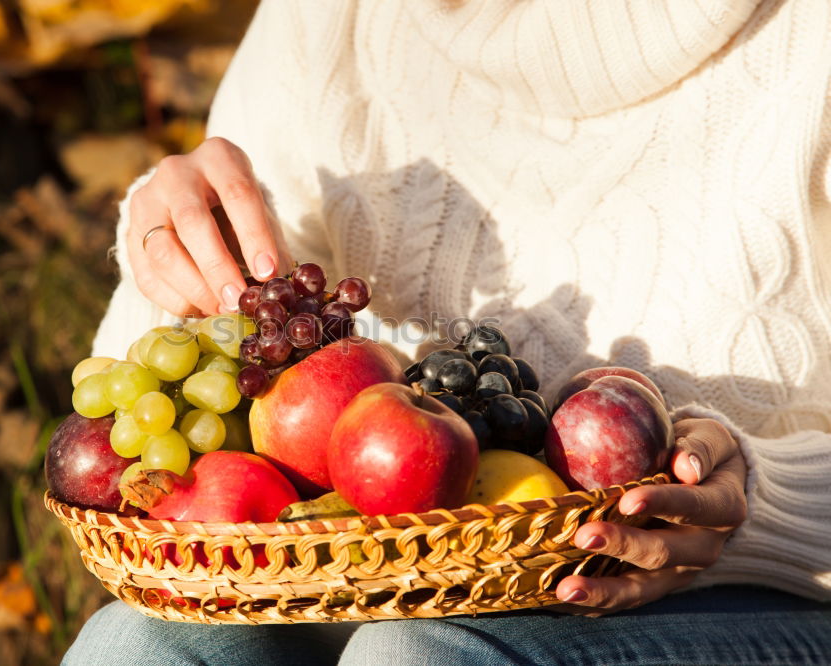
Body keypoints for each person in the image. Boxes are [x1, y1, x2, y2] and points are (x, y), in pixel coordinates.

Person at [64, 1, 831, 663]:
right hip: (379, 581)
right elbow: (156, 418)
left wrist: (763, 509)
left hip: (757, 601)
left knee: (425, 654)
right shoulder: (332, 18)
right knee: (136, 648)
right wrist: (168, 248)